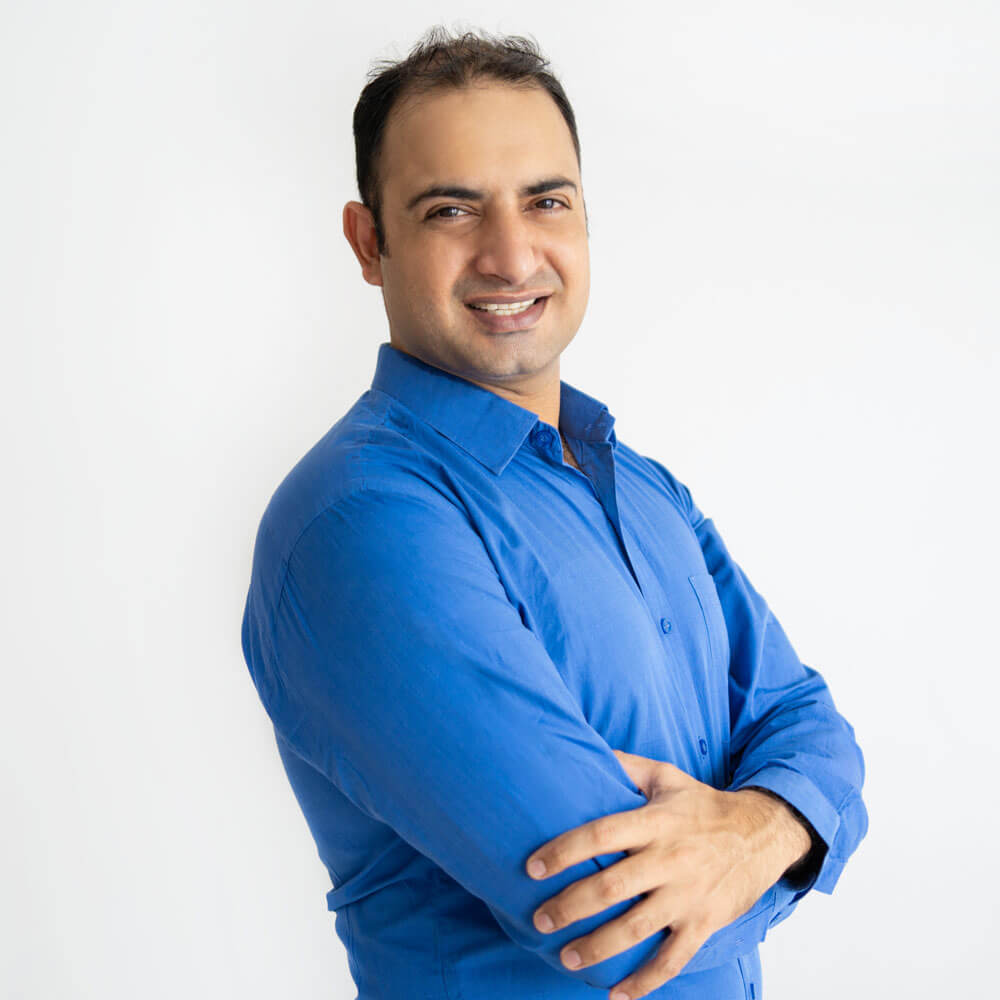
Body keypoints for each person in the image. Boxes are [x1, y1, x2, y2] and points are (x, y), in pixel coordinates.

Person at [240, 25, 868, 1000]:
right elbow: (617, 918)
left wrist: (759, 829)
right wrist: (796, 828)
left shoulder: (644, 488)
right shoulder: (362, 524)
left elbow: (807, 721)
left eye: (545, 201)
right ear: (369, 243)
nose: (510, 254)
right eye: (451, 209)